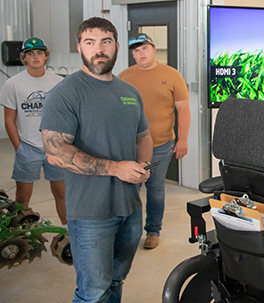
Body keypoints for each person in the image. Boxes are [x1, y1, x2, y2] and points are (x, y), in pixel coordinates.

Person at [40, 17, 152, 303]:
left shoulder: (129, 92)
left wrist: (144, 167)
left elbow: (144, 136)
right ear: (80, 48)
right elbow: (55, 150)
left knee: (116, 280)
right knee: (93, 292)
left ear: (116, 46)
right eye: (90, 42)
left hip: (129, 208)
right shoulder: (66, 93)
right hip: (91, 213)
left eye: (105, 42)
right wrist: (116, 168)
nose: (98, 49)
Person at [119, 33, 190, 249]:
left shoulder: (172, 75)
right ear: (132, 53)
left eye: (144, 49)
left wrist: (183, 140)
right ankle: (127, 233)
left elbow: (183, 109)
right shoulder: (123, 76)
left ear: (153, 48)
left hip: (160, 145)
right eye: (136, 50)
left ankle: (153, 231)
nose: (141, 53)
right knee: (129, 189)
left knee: (155, 188)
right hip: (129, 146)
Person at [0, 37, 67, 226]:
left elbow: (66, 115)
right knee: (22, 195)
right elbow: (9, 120)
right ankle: (20, 231)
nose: (36, 56)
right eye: (30, 53)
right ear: (24, 58)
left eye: (39, 52)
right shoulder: (13, 84)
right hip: (28, 146)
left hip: (54, 146)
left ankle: (69, 231)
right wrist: (19, 147)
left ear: (46, 56)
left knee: (61, 192)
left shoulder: (58, 83)